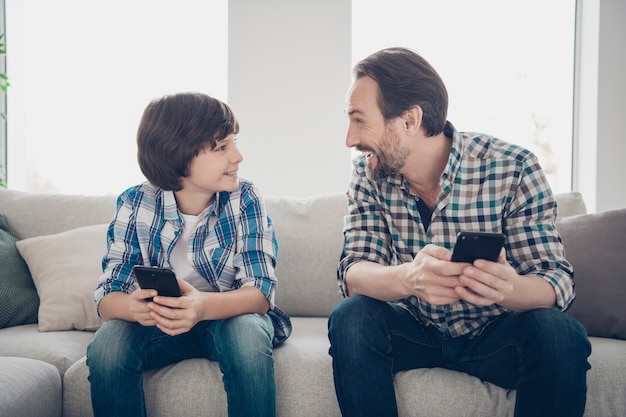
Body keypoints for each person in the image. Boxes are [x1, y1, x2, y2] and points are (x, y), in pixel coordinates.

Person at [327, 47, 591, 417]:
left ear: (409, 120)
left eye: (359, 120)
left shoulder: (512, 168)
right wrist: (409, 278)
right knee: (351, 316)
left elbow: (556, 283)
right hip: (414, 331)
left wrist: (508, 288)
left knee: (560, 333)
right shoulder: (369, 174)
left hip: (495, 335)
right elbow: (354, 271)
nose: (350, 139)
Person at [86, 92, 291, 417]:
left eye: (234, 142)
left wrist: (201, 306)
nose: (237, 156)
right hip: (160, 325)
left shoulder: (245, 198)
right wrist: (132, 307)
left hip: (226, 319)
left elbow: (261, 293)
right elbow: (107, 297)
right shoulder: (135, 203)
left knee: (249, 336)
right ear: (179, 155)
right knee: (108, 345)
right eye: (222, 147)